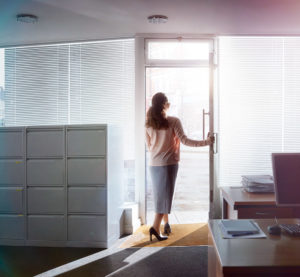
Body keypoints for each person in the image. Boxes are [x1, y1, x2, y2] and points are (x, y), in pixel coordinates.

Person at [145, 92, 214, 241]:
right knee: (165, 198)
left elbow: (150, 146)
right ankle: (155, 228)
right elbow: (185, 140)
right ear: (164, 105)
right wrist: (206, 142)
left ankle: (161, 226)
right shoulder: (173, 121)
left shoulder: (148, 123)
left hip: (153, 164)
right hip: (168, 164)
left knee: (160, 197)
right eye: (167, 102)